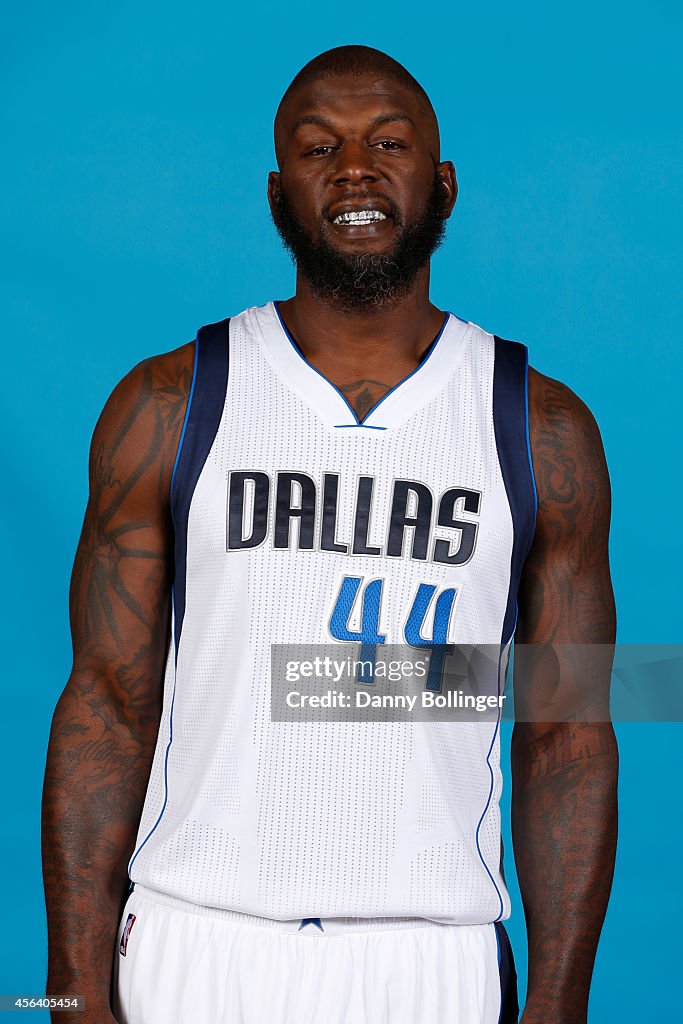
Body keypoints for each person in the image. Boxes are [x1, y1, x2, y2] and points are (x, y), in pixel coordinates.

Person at [42, 44, 618, 1024]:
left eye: (385, 142)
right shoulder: (167, 404)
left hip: (429, 958)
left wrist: (559, 1000)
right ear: (277, 195)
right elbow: (103, 708)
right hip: (195, 939)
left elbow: (565, 732)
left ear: (440, 185)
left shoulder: (536, 426)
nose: (353, 167)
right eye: (318, 147)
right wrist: (70, 989)